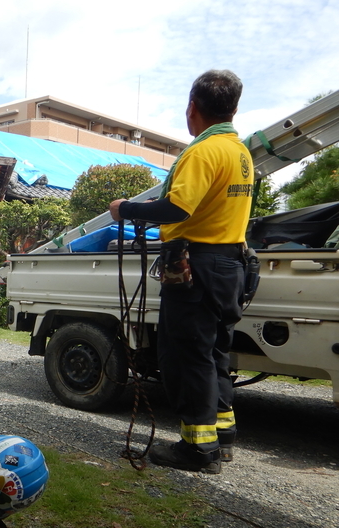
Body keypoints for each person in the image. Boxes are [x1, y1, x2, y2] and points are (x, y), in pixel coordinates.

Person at [109, 70, 254, 474]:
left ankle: (198, 450)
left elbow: (178, 207)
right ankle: (221, 438)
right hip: (229, 265)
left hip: (197, 265)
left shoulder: (201, 153)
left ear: (192, 108)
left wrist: (128, 210)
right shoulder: (239, 152)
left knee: (187, 355)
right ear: (234, 108)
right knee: (214, 353)